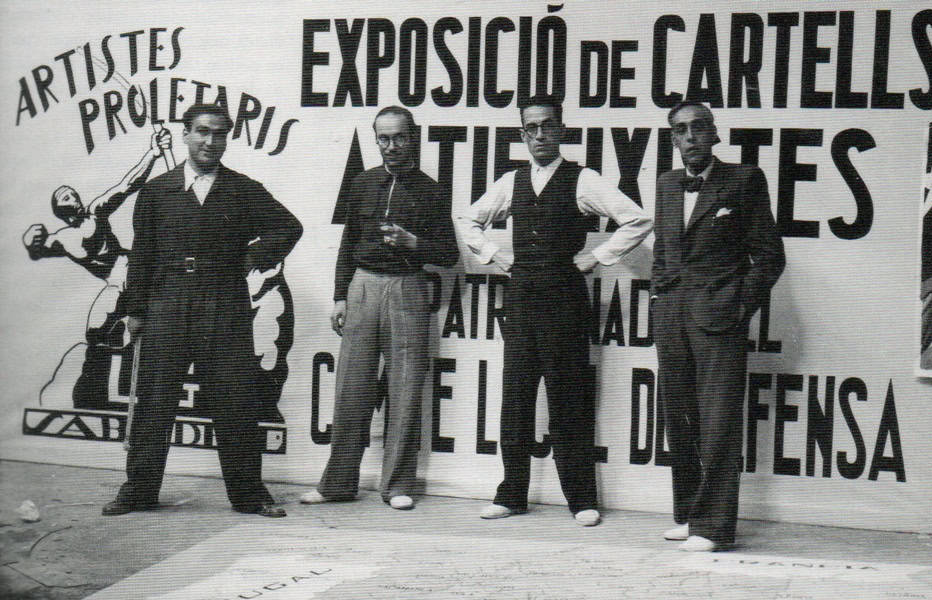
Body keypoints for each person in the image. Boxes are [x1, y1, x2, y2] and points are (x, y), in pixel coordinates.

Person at [456, 100, 652, 526]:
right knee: (516, 401)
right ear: (523, 134)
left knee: (569, 402)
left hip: (565, 299)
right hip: (522, 298)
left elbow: (637, 220)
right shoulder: (511, 181)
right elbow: (468, 221)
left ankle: (581, 499)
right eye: (531, 128)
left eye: (547, 126)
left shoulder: (583, 180)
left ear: (561, 129)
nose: (540, 134)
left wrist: (596, 256)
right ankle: (511, 494)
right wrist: (497, 256)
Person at [102, 103, 303, 518]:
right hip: (167, 302)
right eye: (202, 132)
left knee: (235, 400)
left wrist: (255, 254)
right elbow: (142, 255)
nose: (210, 141)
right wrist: (136, 311)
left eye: (219, 134)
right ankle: (138, 490)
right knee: (155, 401)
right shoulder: (157, 191)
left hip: (223, 302)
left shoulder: (242, 189)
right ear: (185, 133)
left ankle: (249, 494)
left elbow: (289, 226)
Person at [300, 106, 458, 510]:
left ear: (413, 137)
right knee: (351, 387)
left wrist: (413, 243)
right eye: (383, 139)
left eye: (399, 138)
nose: (391, 147)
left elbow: (450, 255)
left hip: (408, 290)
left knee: (405, 390)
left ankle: (398, 485)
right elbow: (347, 244)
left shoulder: (432, 190)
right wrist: (340, 294)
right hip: (362, 286)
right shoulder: (361, 183)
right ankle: (337, 483)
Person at [651, 101, 785, 551]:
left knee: (719, 423)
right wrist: (660, 296)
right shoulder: (667, 184)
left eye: (697, 127)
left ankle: (714, 527)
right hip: (672, 319)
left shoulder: (745, 180)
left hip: (718, 321)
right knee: (680, 420)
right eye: (679, 130)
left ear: (714, 133)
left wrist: (736, 307)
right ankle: (690, 514)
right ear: (672, 139)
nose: (689, 137)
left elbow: (770, 258)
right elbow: (664, 253)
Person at [23, 129, 172, 410]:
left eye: (73, 192)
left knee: (135, 324)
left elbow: (127, 184)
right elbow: (36, 250)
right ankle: (102, 387)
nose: (74, 196)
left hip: (131, 270)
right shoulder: (61, 239)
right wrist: (31, 240)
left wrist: (153, 153)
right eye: (66, 196)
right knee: (96, 332)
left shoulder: (96, 213)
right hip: (114, 283)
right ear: (60, 208)